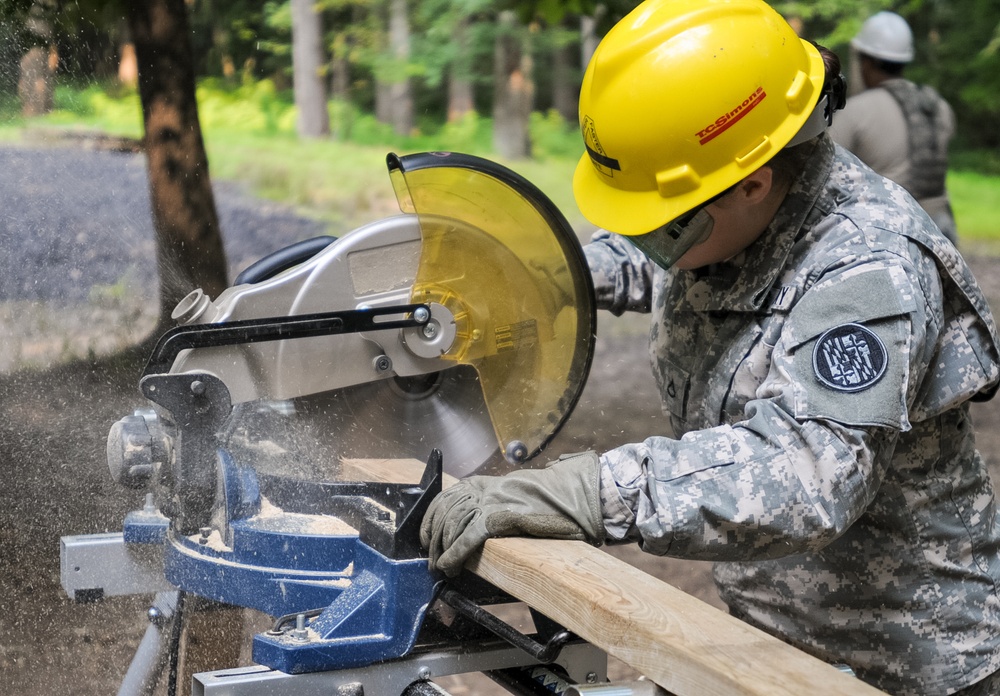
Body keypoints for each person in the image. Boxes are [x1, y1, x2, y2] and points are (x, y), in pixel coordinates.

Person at [419, 0, 1000, 694]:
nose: (651, 243)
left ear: (752, 183)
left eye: (661, 223)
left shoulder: (870, 266)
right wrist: (526, 274)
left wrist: (589, 489)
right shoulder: (742, 203)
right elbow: (656, 255)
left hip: (904, 668)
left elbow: (804, 473)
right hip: (767, 645)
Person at [828, 11, 959, 244]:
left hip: (888, 231)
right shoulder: (937, 106)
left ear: (866, 62)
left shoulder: (856, 112)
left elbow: (827, 172)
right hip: (941, 230)